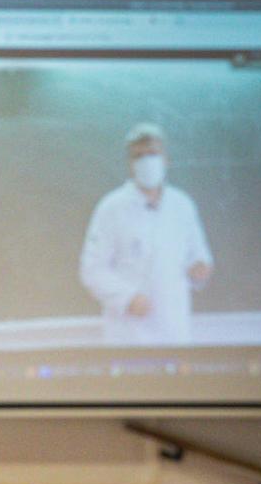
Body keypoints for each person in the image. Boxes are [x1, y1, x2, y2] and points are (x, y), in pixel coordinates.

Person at [79, 124, 214, 345]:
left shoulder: (182, 205)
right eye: (139, 156)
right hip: (128, 335)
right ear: (130, 165)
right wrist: (127, 298)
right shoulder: (111, 208)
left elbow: (199, 257)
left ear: (166, 159)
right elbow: (91, 270)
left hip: (175, 333)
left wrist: (201, 268)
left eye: (153, 154)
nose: (147, 161)